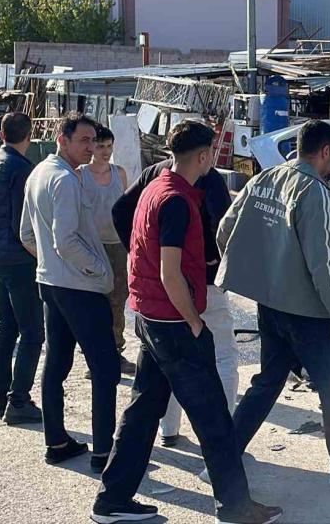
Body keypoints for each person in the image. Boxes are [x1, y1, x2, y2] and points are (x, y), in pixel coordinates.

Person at [92, 121, 281, 524]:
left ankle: (112, 500)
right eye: (212, 153)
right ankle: (236, 507)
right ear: (203, 155)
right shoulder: (176, 200)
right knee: (215, 421)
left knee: (142, 413)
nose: (213, 159)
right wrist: (194, 321)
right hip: (173, 322)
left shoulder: (155, 185)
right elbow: (170, 272)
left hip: (150, 316)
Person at [216, 120, 330, 489]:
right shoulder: (316, 192)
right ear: (325, 151)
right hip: (308, 313)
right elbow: (323, 265)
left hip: (270, 305)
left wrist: (264, 275)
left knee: (267, 382)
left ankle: (222, 458)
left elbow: (225, 231)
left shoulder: (265, 179)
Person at [111, 130, 238, 451]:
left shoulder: (155, 174)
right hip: (196, 286)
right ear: (202, 153)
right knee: (221, 356)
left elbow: (120, 211)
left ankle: (169, 430)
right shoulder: (203, 178)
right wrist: (214, 257)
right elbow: (225, 228)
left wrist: (142, 255)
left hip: (159, 291)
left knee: (164, 364)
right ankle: (228, 438)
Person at [20, 112, 121, 473]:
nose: (91, 147)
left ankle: (57, 442)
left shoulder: (39, 173)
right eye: (84, 141)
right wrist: (98, 269)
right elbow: (64, 241)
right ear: (62, 140)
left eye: (93, 140)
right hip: (78, 288)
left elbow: (27, 235)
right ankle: (104, 453)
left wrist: (53, 264)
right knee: (105, 368)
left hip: (52, 282)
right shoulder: (63, 179)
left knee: (57, 364)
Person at [0, 112, 44, 425]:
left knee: (6, 327)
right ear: (29, 136)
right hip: (18, 259)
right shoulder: (21, 169)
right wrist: (40, 256)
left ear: (2, 134)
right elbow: (24, 225)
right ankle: (19, 400)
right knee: (32, 332)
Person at [79, 125, 136, 377]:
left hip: (117, 246)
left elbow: (125, 209)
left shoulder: (119, 173)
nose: (105, 151)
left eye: (109, 146)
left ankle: (115, 351)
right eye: (100, 146)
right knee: (93, 303)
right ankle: (94, 358)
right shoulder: (80, 175)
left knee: (118, 300)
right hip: (91, 247)